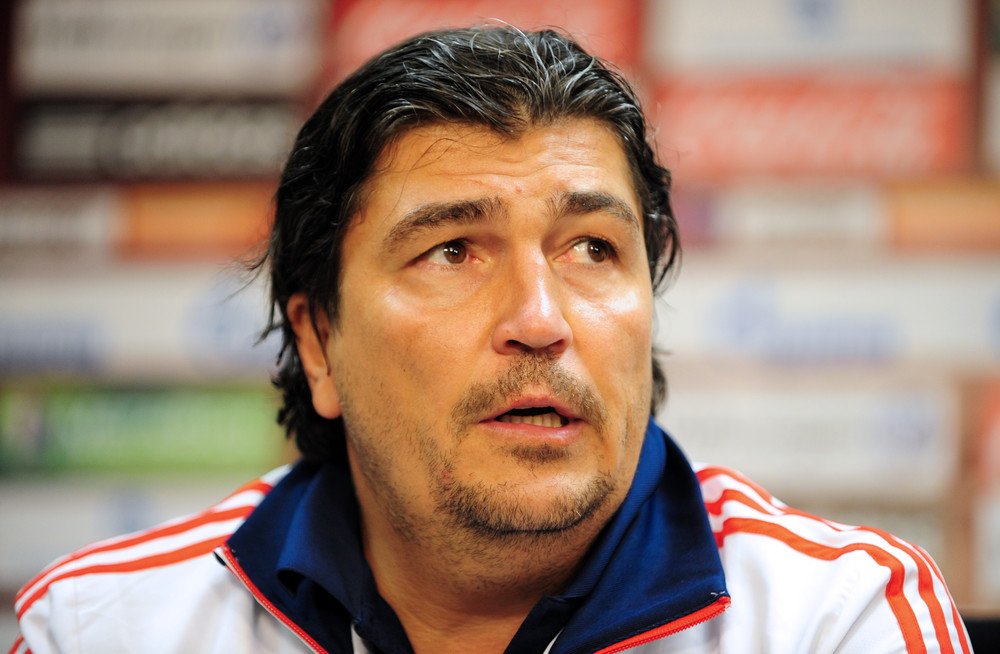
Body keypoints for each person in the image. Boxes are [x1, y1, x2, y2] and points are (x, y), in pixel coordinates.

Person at [11, 26, 970, 654]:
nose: (541, 322)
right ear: (319, 340)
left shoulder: (837, 621)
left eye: (593, 248)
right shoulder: (100, 629)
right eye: (453, 252)